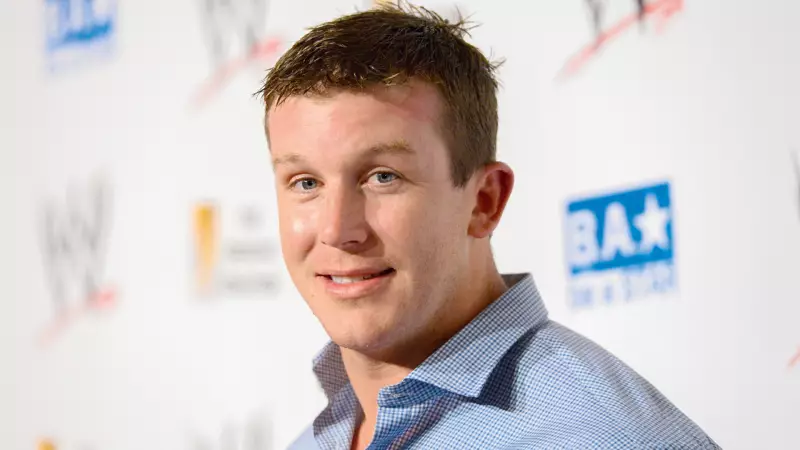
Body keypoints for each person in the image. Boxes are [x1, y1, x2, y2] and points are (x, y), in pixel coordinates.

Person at [257, 3, 720, 449]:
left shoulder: (607, 439)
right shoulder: (318, 439)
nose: (337, 229)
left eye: (383, 177)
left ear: (484, 201)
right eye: (306, 182)